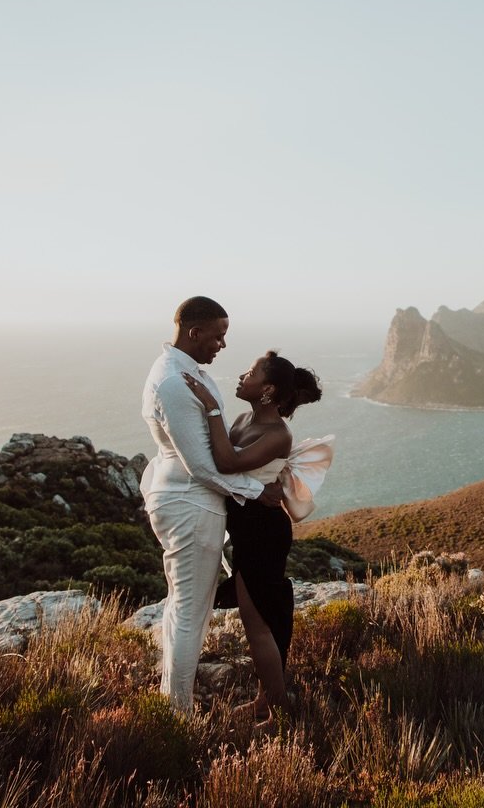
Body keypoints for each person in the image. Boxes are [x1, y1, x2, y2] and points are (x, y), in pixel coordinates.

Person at [139, 296, 282, 711]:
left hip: (185, 501)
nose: (222, 344)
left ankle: (172, 701)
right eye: (217, 336)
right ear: (193, 331)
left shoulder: (182, 373)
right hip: (190, 506)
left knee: (181, 608)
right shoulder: (174, 383)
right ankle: (177, 717)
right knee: (190, 616)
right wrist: (259, 491)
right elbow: (202, 465)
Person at [182, 349, 333, 723]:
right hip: (245, 529)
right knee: (259, 619)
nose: (241, 376)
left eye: (251, 372)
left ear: (267, 390)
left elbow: (227, 463)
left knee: (258, 623)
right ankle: (268, 699)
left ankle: (278, 708)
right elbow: (229, 468)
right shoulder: (243, 418)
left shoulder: (278, 434)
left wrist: (209, 407)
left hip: (264, 533)